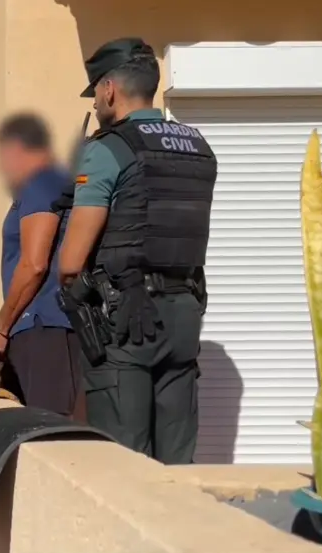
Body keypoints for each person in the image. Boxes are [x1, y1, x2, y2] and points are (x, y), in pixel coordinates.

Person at [57, 38, 216, 464]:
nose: (95, 103)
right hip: (184, 315)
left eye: (96, 92)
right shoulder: (198, 146)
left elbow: (70, 264)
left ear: (109, 89)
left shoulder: (108, 149)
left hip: (127, 320)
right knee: (177, 464)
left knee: (125, 466)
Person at [0, 113, 83, 419]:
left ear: (15, 150)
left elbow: (35, 264)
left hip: (46, 330)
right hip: (33, 329)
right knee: (20, 429)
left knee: (49, 431)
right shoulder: (42, 185)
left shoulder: (43, 183)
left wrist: (0, 328)